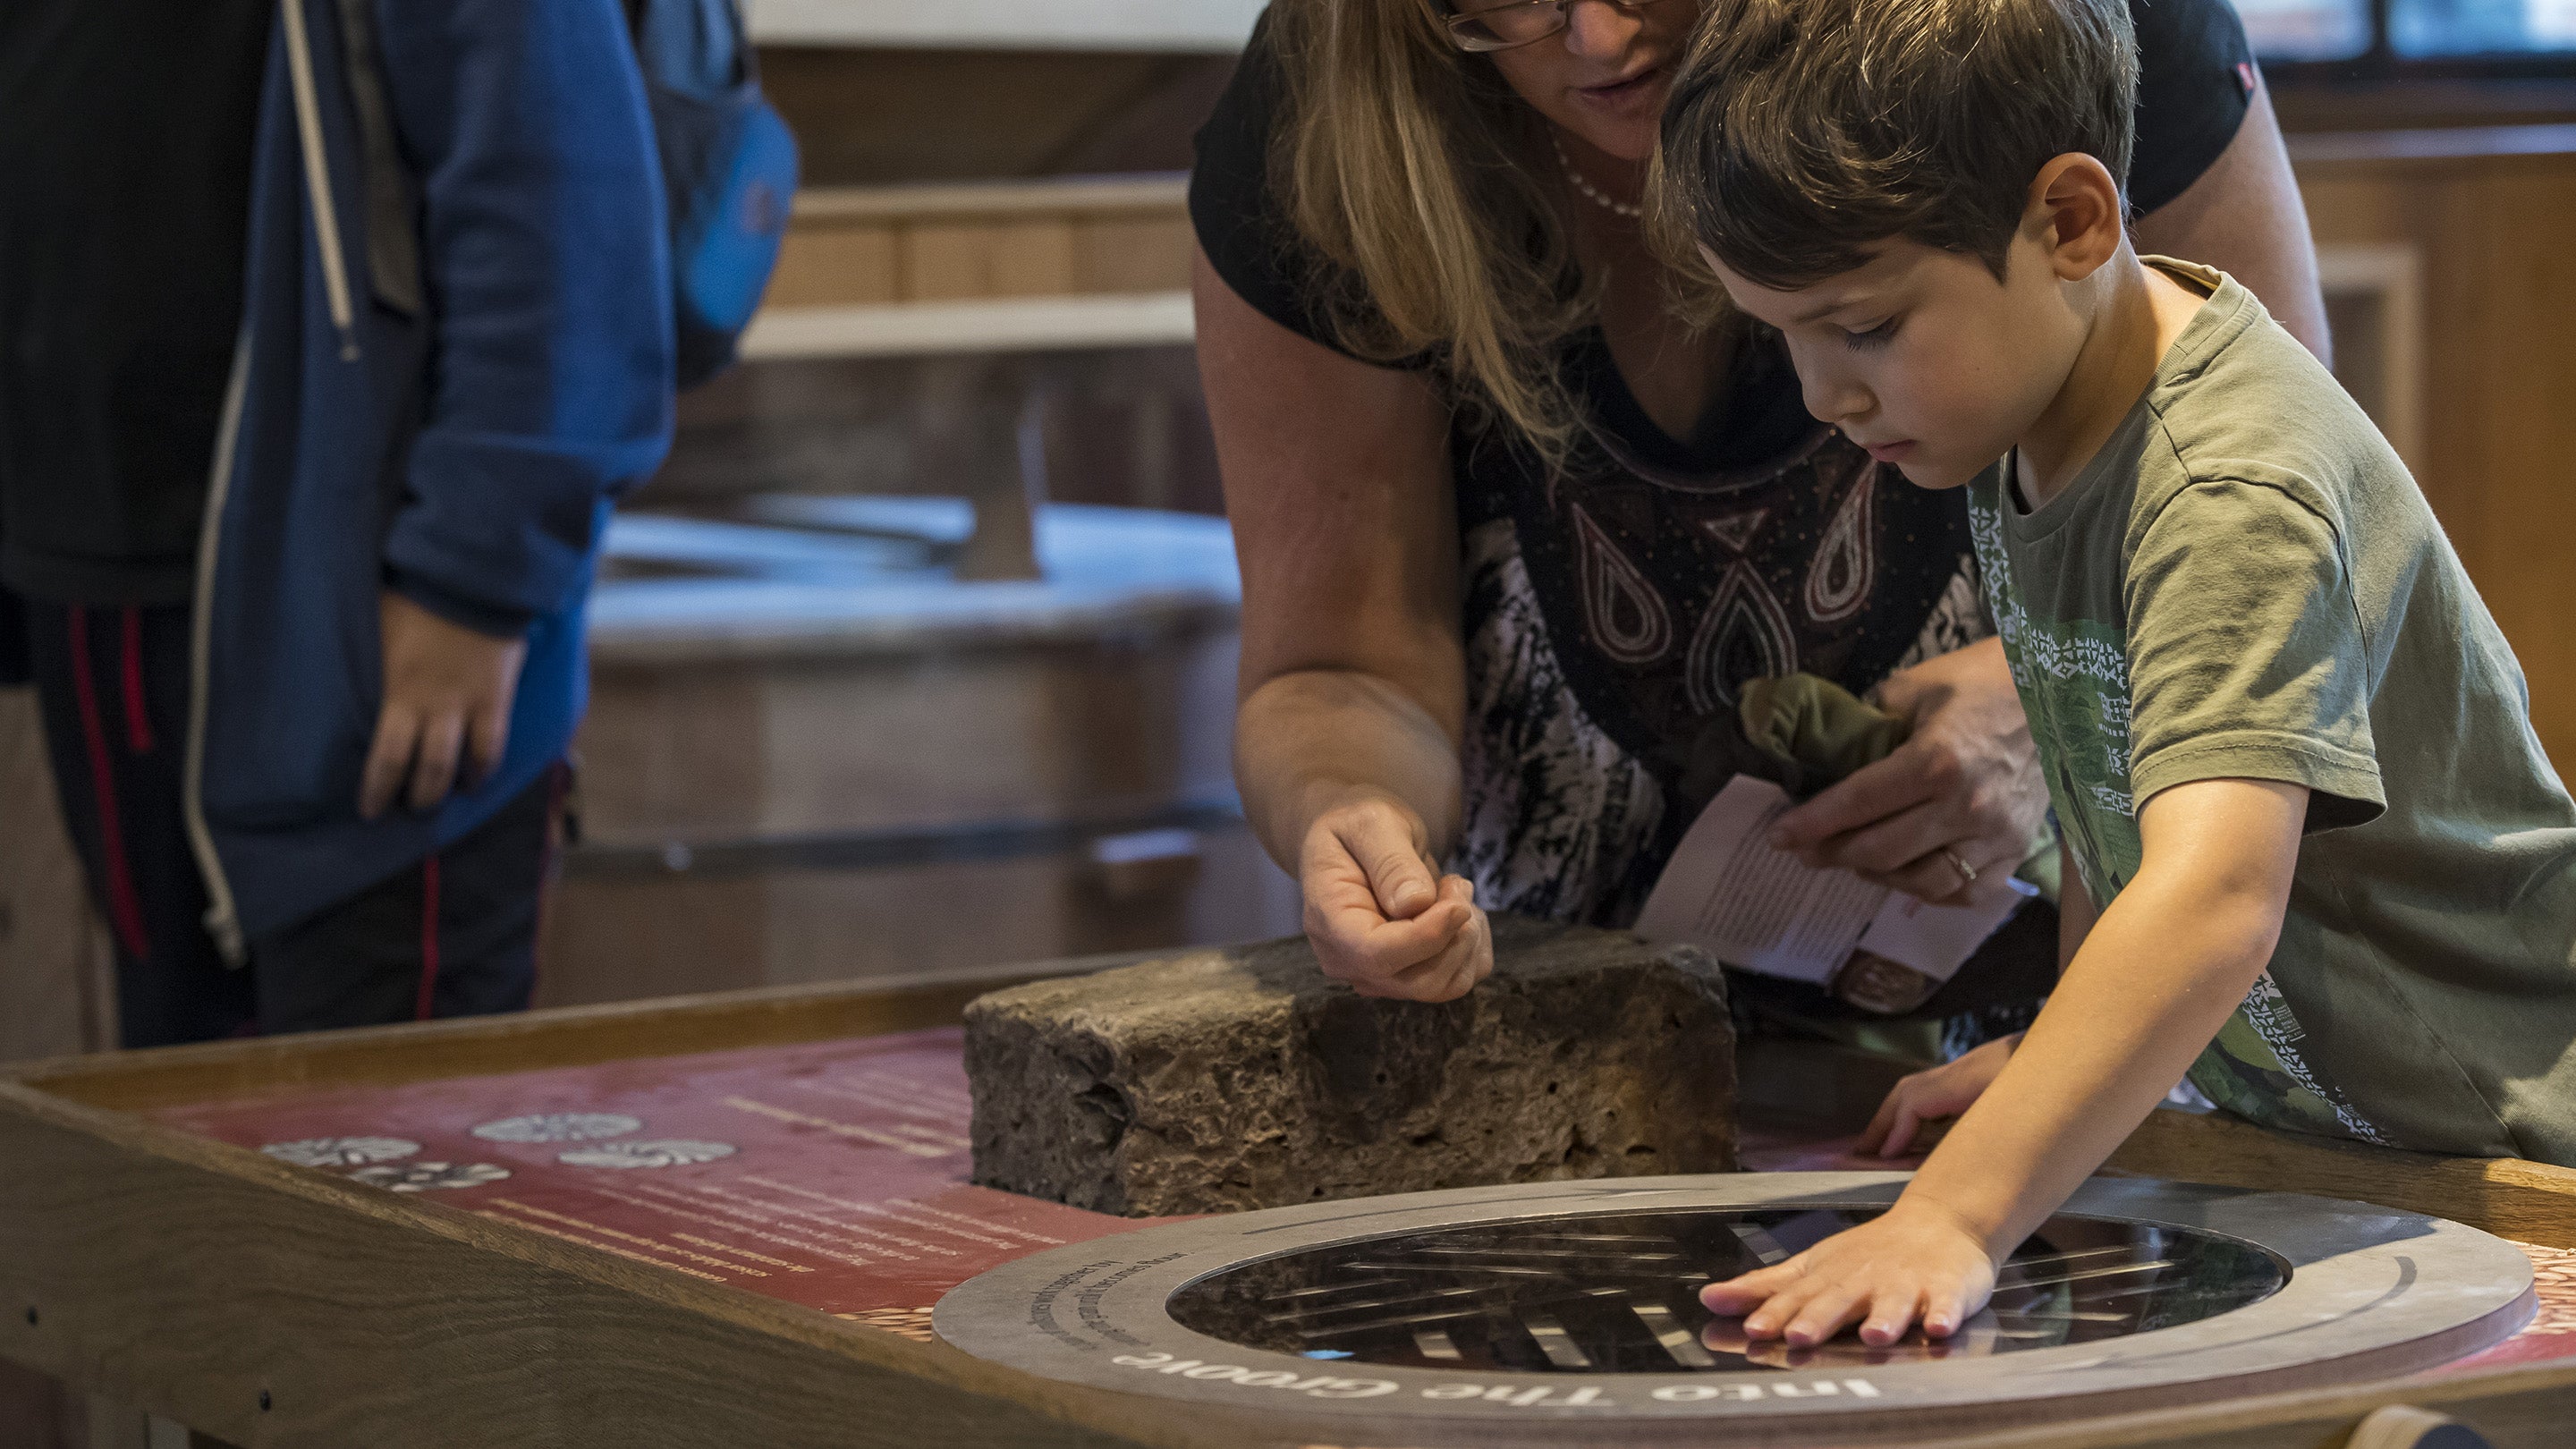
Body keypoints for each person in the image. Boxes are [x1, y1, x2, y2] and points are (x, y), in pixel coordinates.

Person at [1659, 0, 2576, 1347]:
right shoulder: (2036, 426)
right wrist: (2076, 1067)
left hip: (2530, 1142)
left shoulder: (2222, 491)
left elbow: (2209, 897)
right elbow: (2111, 787)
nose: (1823, 395)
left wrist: (1957, 1215)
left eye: (1863, 326)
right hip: (2365, 1146)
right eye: (1782, 334)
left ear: (2073, 223)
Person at [1190, 0, 2329, 1030]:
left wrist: (2047, 697)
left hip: (2092, 994)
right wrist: (1350, 814)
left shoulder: (2066, 27)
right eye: (1507, 2)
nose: (1594, 37)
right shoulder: (1334, 110)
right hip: (1570, 1036)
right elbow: (1342, 664)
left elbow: (2270, 539)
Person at [0, 0, 672, 1046]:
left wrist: (476, 576)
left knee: (381, 1161)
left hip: (364, 606)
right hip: (100, 594)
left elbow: (562, 200)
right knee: (170, 1142)